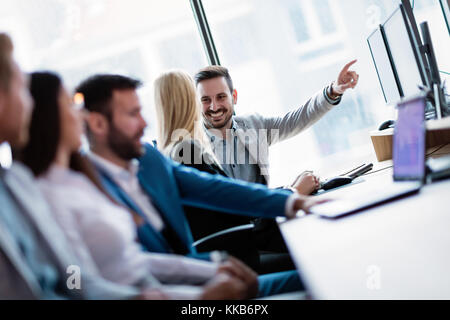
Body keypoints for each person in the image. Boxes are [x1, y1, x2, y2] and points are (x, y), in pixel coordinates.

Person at [18, 71, 265, 300]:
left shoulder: (80, 181)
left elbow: (134, 262)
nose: (81, 115)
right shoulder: (48, 196)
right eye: (71, 105)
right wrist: (197, 297)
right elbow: (77, 284)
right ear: (48, 119)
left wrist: (212, 268)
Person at [76, 74, 325, 295]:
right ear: (98, 124)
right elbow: (104, 276)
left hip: (201, 277)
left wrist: (294, 201)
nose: (144, 124)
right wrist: (204, 288)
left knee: (317, 275)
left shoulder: (148, 160)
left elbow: (213, 189)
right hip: (177, 293)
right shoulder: (86, 192)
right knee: (314, 276)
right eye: (133, 114)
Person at [0, 33, 149, 300]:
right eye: (22, 89)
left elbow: (73, 276)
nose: (29, 104)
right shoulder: (44, 190)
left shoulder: (17, 182)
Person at [154, 70, 295, 274]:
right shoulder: (186, 151)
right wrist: (293, 193)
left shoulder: (172, 151)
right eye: (200, 98)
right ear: (189, 101)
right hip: (238, 260)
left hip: (234, 252)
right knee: (307, 262)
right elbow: (232, 205)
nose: (210, 106)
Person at [194, 63, 359, 190]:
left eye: (221, 97)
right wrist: (294, 191)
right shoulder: (192, 148)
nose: (214, 107)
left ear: (234, 97)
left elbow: (296, 120)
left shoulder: (254, 125)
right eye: (205, 100)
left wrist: (333, 91)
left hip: (265, 223)